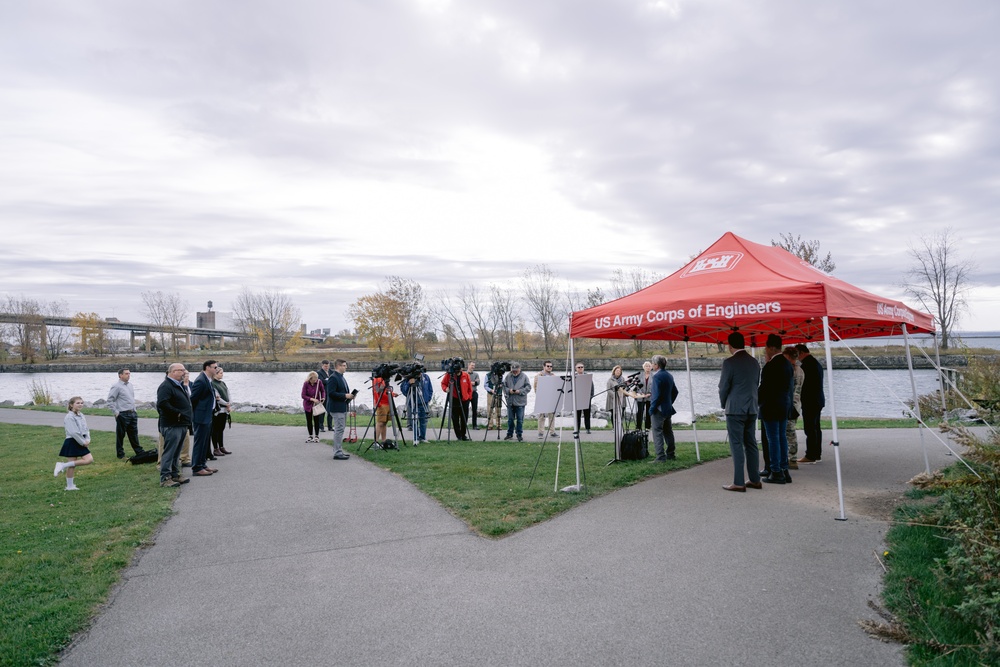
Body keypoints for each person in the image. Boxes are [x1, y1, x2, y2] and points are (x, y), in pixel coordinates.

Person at [718, 332, 762, 492]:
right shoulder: (754, 362)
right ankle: (755, 479)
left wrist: (724, 404)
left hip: (735, 409)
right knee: (751, 443)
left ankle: (738, 482)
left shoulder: (729, 363)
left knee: (736, 444)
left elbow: (723, 387)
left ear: (730, 346)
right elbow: (756, 383)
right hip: (751, 407)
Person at [759, 334, 794, 484]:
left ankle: (776, 471)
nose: (765, 351)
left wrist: (757, 401)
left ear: (772, 348)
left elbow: (764, 389)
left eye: (766, 348)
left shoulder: (770, 366)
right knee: (781, 438)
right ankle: (784, 468)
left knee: (773, 439)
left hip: (771, 407)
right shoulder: (787, 364)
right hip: (783, 405)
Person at [156, 363, 193, 488]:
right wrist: (177, 414)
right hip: (172, 424)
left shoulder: (179, 385)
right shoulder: (166, 386)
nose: (184, 373)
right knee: (169, 452)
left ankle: (174, 474)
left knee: (177, 452)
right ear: (172, 372)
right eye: (181, 370)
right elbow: (162, 404)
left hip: (181, 424)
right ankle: (165, 478)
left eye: (184, 370)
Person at [54, 397, 94, 490]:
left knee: (73, 464)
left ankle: (62, 467)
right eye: (78, 403)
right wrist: (83, 442)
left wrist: (88, 439)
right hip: (72, 441)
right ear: (71, 405)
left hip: (81, 440)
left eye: (81, 403)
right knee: (88, 460)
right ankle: (69, 486)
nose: (80, 404)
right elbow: (73, 432)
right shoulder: (69, 417)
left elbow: (86, 429)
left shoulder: (81, 415)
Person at [107, 368, 147, 459]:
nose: (128, 375)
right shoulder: (116, 386)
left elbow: (131, 399)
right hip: (122, 414)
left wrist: (134, 410)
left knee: (134, 434)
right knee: (121, 435)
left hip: (132, 413)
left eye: (129, 373)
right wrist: (116, 413)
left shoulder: (130, 385)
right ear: (120, 375)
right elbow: (110, 400)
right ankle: (120, 454)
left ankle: (139, 451)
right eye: (126, 374)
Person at [189, 360, 220, 477]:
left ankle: (202, 464)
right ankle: (196, 467)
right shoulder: (201, 380)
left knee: (205, 442)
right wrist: (198, 413)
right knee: (199, 442)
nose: (216, 369)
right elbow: (193, 399)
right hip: (201, 417)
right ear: (207, 367)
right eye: (214, 367)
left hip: (207, 415)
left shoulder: (208, 379)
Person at [796, 344, 826, 464]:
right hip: (817, 400)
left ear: (801, 352)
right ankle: (816, 453)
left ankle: (811, 454)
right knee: (816, 428)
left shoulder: (807, 365)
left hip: (810, 401)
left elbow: (805, 385)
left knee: (810, 428)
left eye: (797, 354)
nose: (796, 357)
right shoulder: (815, 363)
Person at [649, 355, 679, 462]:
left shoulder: (657, 377)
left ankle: (660, 456)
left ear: (656, 365)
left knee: (657, 432)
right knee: (668, 432)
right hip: (667, 408)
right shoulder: (669, 376)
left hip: (659, 409)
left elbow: (656, 396)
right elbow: (675, 392)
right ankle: (671, 454)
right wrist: (669, 402)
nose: (651, 365)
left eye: (652, 363)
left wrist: (651, 409)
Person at [327, 359, 355, 460]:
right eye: (344, 365)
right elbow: (331, 393)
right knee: (339, 429)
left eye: (345, 365)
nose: (345, 367)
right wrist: (345, 395)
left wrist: (349, 396)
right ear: (338, 366)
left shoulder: (341, 377)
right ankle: (337, 452)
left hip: (342, 406)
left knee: (341, 429)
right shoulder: (333, 378)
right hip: (336, 408)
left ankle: (339, 450)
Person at [783, 346, 804, 470]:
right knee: (790, 432)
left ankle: (792, 458)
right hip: (796, 404)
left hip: (791, 405)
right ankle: (792, 457)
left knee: (790, 432)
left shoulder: (793, 370)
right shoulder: (800, 370)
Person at [441, 364, 473, 441]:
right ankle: (458, 436)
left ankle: (463, 435)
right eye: (457, 372)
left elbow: (470, 388)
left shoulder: (466, 375)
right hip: (454, 398)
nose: (458, 373)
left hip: (464, 399)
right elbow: (443, 383)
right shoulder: (449, 375)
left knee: (464, 418)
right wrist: (446, 389)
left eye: (459, 371)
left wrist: (469, 397)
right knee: (455, 418)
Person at [401, 370, 433, 444]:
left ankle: (423, 437)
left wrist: (428, 398)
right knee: (414, 421)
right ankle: (416, 438)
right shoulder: (409, 378)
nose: (419, 374)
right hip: (413, 403)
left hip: (424, 402)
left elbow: (430, 389)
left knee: (424, 421)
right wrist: (409, 383)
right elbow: (404, 391)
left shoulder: (426, 377)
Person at [503, 362, 531, 441]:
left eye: (516, 370)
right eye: (513, 370)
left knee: (520, 419)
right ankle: (509, 434)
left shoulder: (524, 377)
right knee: (510, 419)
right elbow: (504, 386)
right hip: (510, 401)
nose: (514, 372)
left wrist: (520, 391)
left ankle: (519, 434)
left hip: (520, 402)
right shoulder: (508, 376)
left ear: (520, 369)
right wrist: (509, 391)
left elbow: (528, 387)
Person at [211, 366, 232, 457]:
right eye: (220, 373)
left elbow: (228, 393)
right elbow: (217, 397)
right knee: (215, 429)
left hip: (224, 409)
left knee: (221, 429)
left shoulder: (223, 383)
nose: (222, 374)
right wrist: (225, 404)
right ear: (215, 373)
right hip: (218, 409)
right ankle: (215, 448)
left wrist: (229, 403)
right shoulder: (212, 384)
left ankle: (221, 446)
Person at [372, 374, 398, 446]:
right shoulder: (377, 379)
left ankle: (383, 440)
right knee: (380, 422)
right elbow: (376, 391)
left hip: (388, 402)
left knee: (384, 422)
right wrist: (378, 403)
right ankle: (376, 441)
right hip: (382, 403)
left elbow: (386, 390)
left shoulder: (385, 379)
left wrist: (392, 394)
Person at [301, 371, 326, 443]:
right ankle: (310, 435)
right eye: (314, 379)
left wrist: (323, 398)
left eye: (316, 379)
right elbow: (303, 395)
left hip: (316, 405)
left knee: (316, 420)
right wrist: (311, 399)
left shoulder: (319, 382)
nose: (315, 380)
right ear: (310, 378)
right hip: (308, 405)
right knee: (309, 420)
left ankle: (317, 436)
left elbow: (323, 391)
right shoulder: (306, 384)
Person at [533, 360, 556, 437]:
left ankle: (552, 432)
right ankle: (541, 432)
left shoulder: (553, 375)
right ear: (544, 367)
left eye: (551, 366)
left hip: (551, 398)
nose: (549, 367)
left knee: (552, 416)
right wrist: (540, 396)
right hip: (542, 398)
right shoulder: (539, 375)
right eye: (548, 366)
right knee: (542, 416)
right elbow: (535, 387)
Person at [574, 363, 594, 434]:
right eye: (579, 367)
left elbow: (592, 386)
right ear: (576, 369)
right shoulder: (574, 377)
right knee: (577, 415)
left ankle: (588, 429)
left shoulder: (587, 376)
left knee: (587, 414)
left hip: (586, 398)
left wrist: (591, 396)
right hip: (577, 399)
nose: (580, 368)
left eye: (582, 367)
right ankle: (577, 429)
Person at [634, 361, 654, 430]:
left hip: (650, 397)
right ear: (644, 367)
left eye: (649, 366)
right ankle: (638, 427)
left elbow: (655, 387)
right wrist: (641, 393)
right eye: (646, 366)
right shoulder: (639, 376)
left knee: (648, 412)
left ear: (651, 367)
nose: (648, 367)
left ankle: (647, 427)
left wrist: (650, 393)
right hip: (640, 396)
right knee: (640, 412)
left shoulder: (654, 376)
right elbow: (637, 386)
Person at [317, 360, 335, 433]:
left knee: (330, 411)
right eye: (325, 366)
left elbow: (334, 380)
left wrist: (327, 380)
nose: (326, 367)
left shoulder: (332, 372)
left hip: (331, 394)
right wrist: (328, 381)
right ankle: (321, 426)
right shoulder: (319, 373)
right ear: (322, 365)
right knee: (322, 411)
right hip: (323, 394)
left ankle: (330, 426)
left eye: (328, 366)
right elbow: (321, 381)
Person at [467, 361, 481, 430]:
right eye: (472, 365)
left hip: (474, 393)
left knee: (474, 410)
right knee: (465, 409)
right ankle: (464, 424)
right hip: (466, 393)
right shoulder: (464, 374)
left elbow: (477, 382)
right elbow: (464, 383)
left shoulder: (476, 374)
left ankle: (474, 425)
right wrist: (471, 383)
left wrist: (472, 383)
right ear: (468, 365)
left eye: (474, 365)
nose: (473, 367)